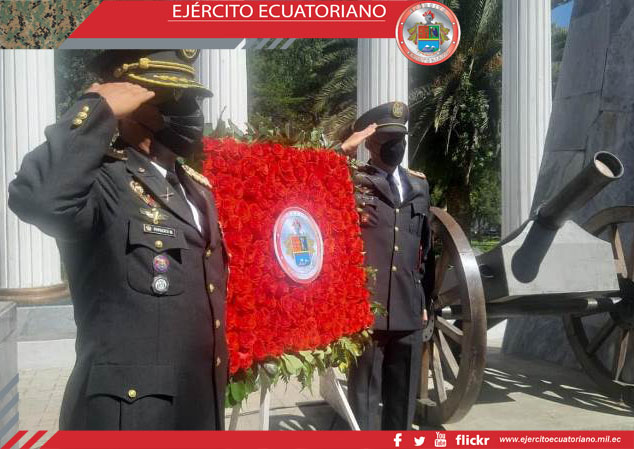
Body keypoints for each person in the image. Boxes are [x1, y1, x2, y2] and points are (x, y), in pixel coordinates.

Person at [8, 50, 229, 430]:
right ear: (129, 107)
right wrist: (96, 107)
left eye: (191, 99)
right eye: (171, 99)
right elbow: (38, 198)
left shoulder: (195, 188)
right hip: (131, 417)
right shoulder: (102, 182)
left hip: (194, 406)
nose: (190, 112)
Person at [340, 101, 434, 430]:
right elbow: (310, 180)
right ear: (370, 143)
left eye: (400, 139)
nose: (397, 146)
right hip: (367, 310)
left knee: (403, 401)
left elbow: (425, 249)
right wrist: (342, 152)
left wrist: (424, 302)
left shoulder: (419, 186)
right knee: (364, 400)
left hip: (409, 309)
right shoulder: (351, 179)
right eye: (388, 140)